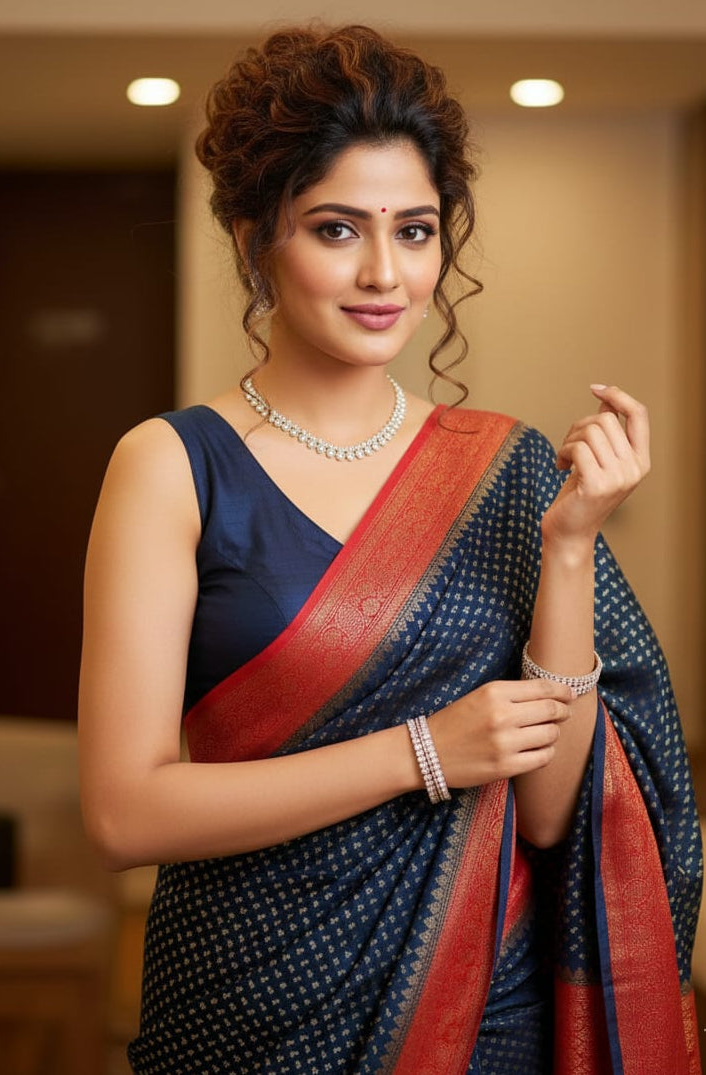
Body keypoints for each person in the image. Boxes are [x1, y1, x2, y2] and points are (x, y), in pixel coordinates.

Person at [78, 24, 702, 1074]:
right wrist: (423, 752)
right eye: (335, 229)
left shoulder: (506, 472)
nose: (383, 273)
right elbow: (123, 809)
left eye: (415, 231)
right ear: (251, 236)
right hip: (245, 1002)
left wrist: (569, 546)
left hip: (477, 1012)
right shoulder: (172, 465)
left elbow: (551, 815)